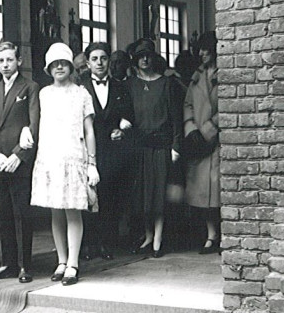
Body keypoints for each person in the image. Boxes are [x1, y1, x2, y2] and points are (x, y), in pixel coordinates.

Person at [30, 42, 99, 286]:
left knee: (72, 211)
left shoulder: (81, 93)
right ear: (49, 68)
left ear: (71, 66)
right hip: (50, 158)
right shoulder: (44, 94)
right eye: (55, 64)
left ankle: (73, 263)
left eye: (64, 63)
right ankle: (61, 260)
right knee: (55, 211)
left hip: (74, 157)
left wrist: (92, 163)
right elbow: (38, 125)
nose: (59, 67)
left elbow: (89, 131)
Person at [0, 41, 40, 283]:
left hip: (19, 162)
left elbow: (34, 124)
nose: (5, 64)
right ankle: (8, 264)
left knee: (22, 214)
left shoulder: (30, 87)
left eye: (10, 60)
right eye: (1, 60)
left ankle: (26, 264)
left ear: (19, 61)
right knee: (4, 214)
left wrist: (17, 155)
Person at [126, 38, 182, 258]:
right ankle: (148, 235)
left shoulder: (166, 84)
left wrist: (176, 144)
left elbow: (176, 118)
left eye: (148, 56)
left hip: (161, 145)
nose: (145, 60)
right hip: (140, 146)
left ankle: (158, 237)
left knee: (158, 195)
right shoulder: (131, 84)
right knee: (143, 195)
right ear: (136, 60)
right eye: (141, 57)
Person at [78, 42, 134, 261]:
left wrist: (122, 129)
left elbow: (130, 115)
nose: (99, 63)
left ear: (108, 61)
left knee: (109, 197)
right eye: (94, 59)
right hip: (86, 150)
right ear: (88, 62)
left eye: (103, 58)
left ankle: (106, 243)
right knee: (87, 198)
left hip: (112, 152)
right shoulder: (80, 87)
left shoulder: (120, 87)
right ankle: (87, 245)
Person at [183, 31, 220, 254]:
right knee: (204, 196)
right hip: (200, 142)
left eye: (206, 49)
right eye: (200, 49)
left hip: (217, 141)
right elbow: (188, 103)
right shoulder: (197, 75)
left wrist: (208, 130)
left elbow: (228, 104)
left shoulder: (224, 74)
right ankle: (211, 234)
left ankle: (225, 234)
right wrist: (192, 129)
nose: (202, 54)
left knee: (218, 192)